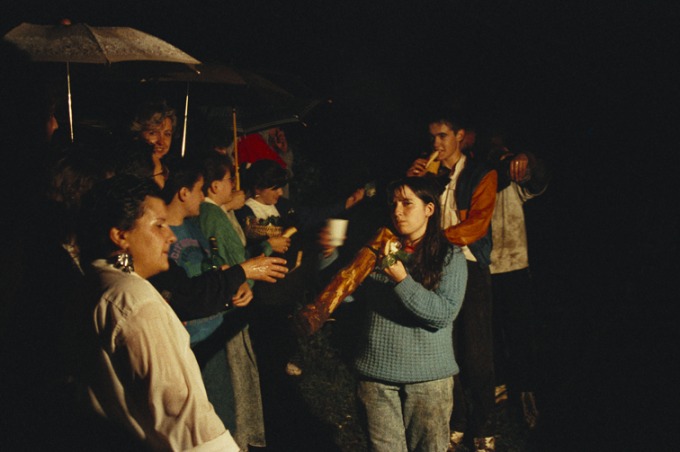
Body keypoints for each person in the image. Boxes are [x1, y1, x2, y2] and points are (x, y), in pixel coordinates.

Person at [74, 174, 239, 451]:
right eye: (159, 225)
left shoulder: (95, 282)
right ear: (121, 235)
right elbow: (179, 412)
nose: (171, 236)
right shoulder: (135, 301)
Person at [320, 176, 467, 452]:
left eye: (407, 203)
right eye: (394, 204)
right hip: (376, 376)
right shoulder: (378, 249)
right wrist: (328, 256)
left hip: (428, 380)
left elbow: (443, 313)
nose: (397, 211)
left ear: (429, 209)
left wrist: (403, 281)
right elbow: (348, 297)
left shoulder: (450, 256)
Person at [407, 110, 498, 451]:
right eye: (432, 137)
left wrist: (439, 239)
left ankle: (485, 426)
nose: (436, 144)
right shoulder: (429, 171)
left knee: (476, 352)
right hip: (435, 264)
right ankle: (456, 421)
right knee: (446, 350)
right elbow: (409, 211)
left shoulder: (481, 173)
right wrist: (411, 182)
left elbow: (477, 224)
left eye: (443, 136)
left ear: (460, 135)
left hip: (470, 266)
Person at [484, 132, 549, 430]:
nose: (503, 154)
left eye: (505, 149)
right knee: (491, 333)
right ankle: (499, 390)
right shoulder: (480, 175)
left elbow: (537, 183)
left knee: (521, 333)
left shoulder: (513, 178)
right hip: (485, 267)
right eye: (496, 149)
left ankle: (525, 392)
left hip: (516, 265)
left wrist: (529, 160)